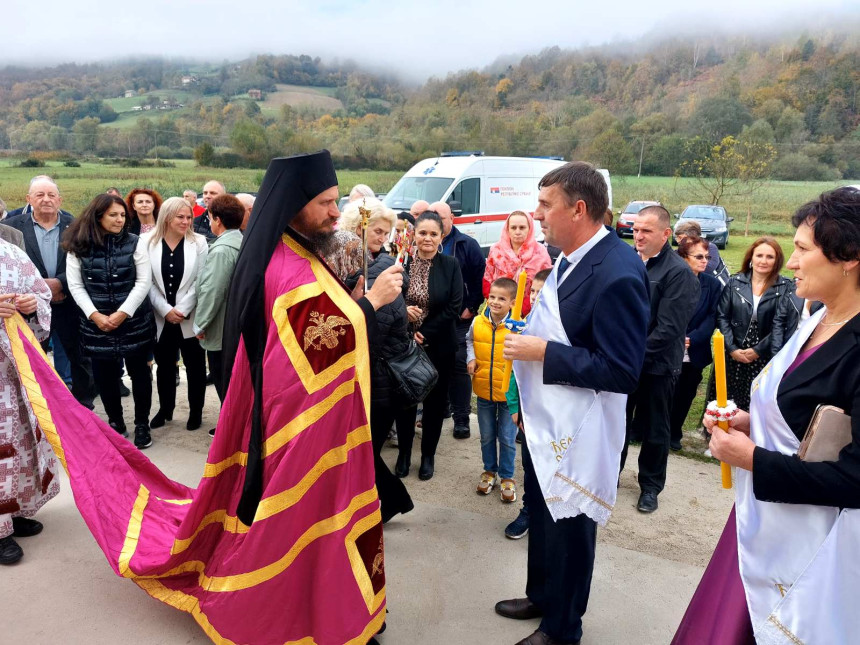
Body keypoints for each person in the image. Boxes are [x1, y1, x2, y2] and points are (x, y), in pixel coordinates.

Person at [13, 151, 402, 643]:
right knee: (310, 522)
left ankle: (346, 604)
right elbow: (312, 355)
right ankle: (322, 613)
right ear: (295, 204)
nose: (334, 212)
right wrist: (371, 304)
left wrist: (353, 303)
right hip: (303, 429)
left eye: (335, 200)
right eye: (325, 202)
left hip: (305, 421)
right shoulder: (291, 270)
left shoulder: (292, 250)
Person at [673, 187, 860, 644]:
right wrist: (748, 422)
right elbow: (801, 419)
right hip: (764, 525)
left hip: (816, 550)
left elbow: (855, 480)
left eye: (802, 250)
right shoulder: (818, 319)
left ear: (850, 257)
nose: (791, 262)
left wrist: (753, 459)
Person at [495, 162, 650, 645]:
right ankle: (542, 596)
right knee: (544, 515)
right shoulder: (568, 257)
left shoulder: (618, 272)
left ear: (578, 209)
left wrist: (544, 352)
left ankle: (563, 629)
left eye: (546, 205)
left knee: (571, 529)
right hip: (549, 420)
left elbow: (623, 370)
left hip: (584, 430)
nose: (537, 215)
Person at [620, 205, 700, 514]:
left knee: (655, 428)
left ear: (666, 234)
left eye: (646, 231)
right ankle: (610, 473)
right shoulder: (627, 261)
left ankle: (650, 486)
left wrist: (630, 353)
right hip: (624, 362)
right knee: (616, 423)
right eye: (635, 229)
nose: (638, 236)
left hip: (658, 365)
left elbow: (669, 328)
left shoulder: (678, 272)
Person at [64, 194, 155, 449]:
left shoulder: (135, 242)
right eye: (113, 215)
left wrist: (123, 312)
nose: (119, 220)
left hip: (134, 321)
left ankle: (142, 424)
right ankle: (116, 422)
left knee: (140, 374)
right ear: (98, 216)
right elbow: (75, 285)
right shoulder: (78, 246)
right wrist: (95, 316)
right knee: (105, 376)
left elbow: (143, 281)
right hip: (97, 323)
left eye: (123, 215)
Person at [345, 199, 414, 522]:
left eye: (386, 233)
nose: (381, 237)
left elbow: (373, 331)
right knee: (363, 450)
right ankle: (386, 502)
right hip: (375, 375)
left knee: (364, 450)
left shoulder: (379, 271)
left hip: (380, 377)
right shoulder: (356, 266)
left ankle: (387, 503)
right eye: (376, 230)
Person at [4, 176, 95, 409]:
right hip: (28, 307)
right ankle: (38, 407)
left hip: (68, 302)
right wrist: (37, 289)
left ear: (59, 200)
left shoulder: (77, 226)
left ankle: (84, 406)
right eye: (40, 195)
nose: (46, 199)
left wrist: (59, 283)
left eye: (51, 195)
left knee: (80, 356)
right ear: (29, 199)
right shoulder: (12, 228)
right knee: (32, 357)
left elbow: (88, 262)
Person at [0, 239, 57, 565]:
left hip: (15, 370)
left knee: (19, 443)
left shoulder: (11, 253)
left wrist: (31, 304)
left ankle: (15, 510)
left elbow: (42, 294)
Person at [398, 210, 463, 480]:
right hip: (404, 345)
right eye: (422, 232)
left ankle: (428, 456)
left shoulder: (450, 265)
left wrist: (424, 332)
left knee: (435, 404)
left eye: (433, 234)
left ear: (441, 237)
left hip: (438, 345)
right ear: (414, 234)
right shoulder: (402, 262)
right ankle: (404, 454)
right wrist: (404, 313)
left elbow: (454, 306)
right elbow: (390, 297)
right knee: (405, 401)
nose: (427, 238)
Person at [145, 197, 209, 432]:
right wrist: (165, 310)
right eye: (180, 217)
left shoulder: (199, 242)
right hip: (161, 318)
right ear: (166, 217)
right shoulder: (147, 242)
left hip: (189, 317)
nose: (186, 221)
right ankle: (165, 409)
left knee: (195, 367)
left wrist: (181, 309)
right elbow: (146, 281)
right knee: (164, 367)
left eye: (189, 217)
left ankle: (196, 411)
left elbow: (201, 279)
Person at [716, 236, 791, 412]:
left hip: (764, 354)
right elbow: (722, 316)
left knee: (756, 401)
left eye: (770, 257)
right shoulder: (734, 283)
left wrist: (758, 350)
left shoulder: (786, 287)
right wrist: (732, 348)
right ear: (751, 257)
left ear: (777, 260)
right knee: (727, 400)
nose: (763, 261)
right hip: (734, 351)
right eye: (759, 255)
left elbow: (783, 323)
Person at [504, 267, 550, 539]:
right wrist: (514, 407)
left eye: (541, 293)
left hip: (553, 410)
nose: (533, 296)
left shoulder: (559, 327)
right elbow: (514, 373)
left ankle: (549, 516)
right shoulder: (523, 324)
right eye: (532, 291)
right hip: (527, 408)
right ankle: (528, 510)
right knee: (530, 465)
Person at [193, 194, 243, 436]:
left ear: (218, 220)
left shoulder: (222, 250)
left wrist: (200, 323)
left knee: (224, 378)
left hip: (221, 327)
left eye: (211, 217)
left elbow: (213, 290)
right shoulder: (240, 241)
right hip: (234, 324)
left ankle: (230, 431)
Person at [434, 200, 485, 440]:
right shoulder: (423, 242)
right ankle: (441, 407)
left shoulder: (466, 244)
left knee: (458, 363)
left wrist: (471, 307)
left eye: (441, 217)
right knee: (435, 362)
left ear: (452, 218)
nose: (437, 221)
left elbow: (479, 278)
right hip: (434, 317)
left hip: (460, 318)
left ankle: (461, 418)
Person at [668, 236, 722, 451]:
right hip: (668, 345)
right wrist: (676, 337)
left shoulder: (712, 284)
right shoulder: (671, 279)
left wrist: (693, 338)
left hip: (694, 350)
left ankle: (674, 432)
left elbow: (712, 316)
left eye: (707, 257)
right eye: (699, 257)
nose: (705, 261)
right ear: (683, 257)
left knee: (686, 391)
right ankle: (647, 429)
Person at [467, 277, 518, 501]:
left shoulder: (518, 327)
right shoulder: (478, 322)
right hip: (483, 389)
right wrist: (471, 358)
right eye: (492, 297)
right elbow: (469, 341)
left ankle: (507, 476)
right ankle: (489, 471)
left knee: (507, 437)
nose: (495, 302)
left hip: (508, 395)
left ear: (512, 303)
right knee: (487, 435)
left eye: (502, 299)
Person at [483, 210, 552, 316]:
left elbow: (545, 284)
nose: (518, 232)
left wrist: (521, 309)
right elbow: (487, 280)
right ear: (507, 229)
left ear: (529, 229)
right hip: (498, 309)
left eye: (522, 227)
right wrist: (498, 303)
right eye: (513, 227)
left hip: (528, 311)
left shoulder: (540, 252)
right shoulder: (496, 250)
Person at [771, 278, 823, 354]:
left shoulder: (827, 294)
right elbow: (779, 320)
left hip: (811, 351)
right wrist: (776, 352)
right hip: (789, 346)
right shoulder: (794, 285)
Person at [674, 220, 729, 286]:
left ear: (693, 237)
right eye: (676, 237)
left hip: (714, 286)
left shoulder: (710, 247)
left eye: (680, 237)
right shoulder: (678, 251)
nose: (677, 241)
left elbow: (708, 268)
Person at [324, 200, 367, 281]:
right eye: (378, 231)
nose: (383, 239)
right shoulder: (344, 241)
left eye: (386, 233)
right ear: (360, 228)